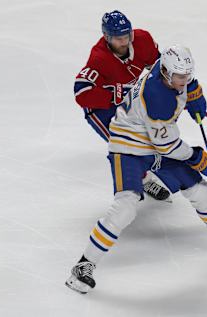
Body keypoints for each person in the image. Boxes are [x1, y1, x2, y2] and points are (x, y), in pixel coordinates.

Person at [66, 45, 207, 294]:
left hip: (157, 144)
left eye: (186, 76)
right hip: (129, 148)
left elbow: (186, 80)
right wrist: (198, 158)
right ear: (165, 72)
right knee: (125, 206)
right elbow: (168, 146)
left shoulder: (167, 70)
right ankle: (84, 265)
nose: (183, 81)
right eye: (179, 77)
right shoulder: (158, 97)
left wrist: (194, 93)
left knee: (200, 191)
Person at [74, 10, 170, 201]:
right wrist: (115, 95)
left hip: (127, 100)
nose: (125, 41)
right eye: (119, 38)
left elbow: (159, 67)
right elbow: (81, 93)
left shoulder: (143, 40)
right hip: (99, 108)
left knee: (148, 136)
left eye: (127, 35)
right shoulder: (99, 58)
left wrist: (175, 90)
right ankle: (143, 180)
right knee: (127, 146)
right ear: (107, 37)